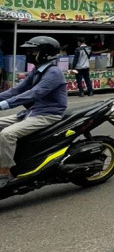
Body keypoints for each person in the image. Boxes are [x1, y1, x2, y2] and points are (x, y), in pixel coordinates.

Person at [0, 36, 67, 188]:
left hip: (48, 114)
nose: (30, 53)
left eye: (33, 50)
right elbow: (16, 91)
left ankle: (4, 172)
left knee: (7, 134)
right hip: (33, 112)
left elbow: (33, 93)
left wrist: (4, 105)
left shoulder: (53, 72)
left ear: (45, 53)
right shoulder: (37, 71)